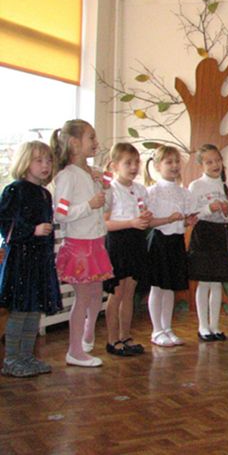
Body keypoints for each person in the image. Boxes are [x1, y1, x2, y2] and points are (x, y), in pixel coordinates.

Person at [52, 119, 113, 367]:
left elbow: (106, 206)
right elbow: (60, 213)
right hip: (79, 246)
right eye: (91, 137)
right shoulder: (68, 176)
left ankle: (88, 336)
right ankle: (75, 351)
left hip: (96, 242)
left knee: (97, 293)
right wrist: (89, 205)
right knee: (83, 297)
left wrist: (105, 187)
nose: (96, 142)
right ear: (75, 143)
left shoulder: (91, 172)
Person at [0, 141, 62, 376]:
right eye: (39, 160)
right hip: (21, 261)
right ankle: (11, 359)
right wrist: (31, 230)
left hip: (39, 261)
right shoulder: (14, 190)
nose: (45, 165)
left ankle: (27, 356)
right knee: (20, 311)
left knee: (34, 311)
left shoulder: (45, 194)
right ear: (25, 162)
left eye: (48, 160)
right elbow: (5, 224)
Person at [145, 145, 198, 347]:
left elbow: (181, 221)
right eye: (169, 162)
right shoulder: (153, 192)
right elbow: (149, 222)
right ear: (158, 166)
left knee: (170, 288)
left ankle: (167, 328)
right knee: (157, 287)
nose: (174, 166)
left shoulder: (184, 192)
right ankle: (156, 330)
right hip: (159, 242)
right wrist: (168, 219)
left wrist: (186, 222)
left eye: (177, 162)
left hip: (176, 242)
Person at [103, 143, 152, 356]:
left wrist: (146, 218)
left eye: (136, 162)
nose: (133, 167)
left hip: (136, 241)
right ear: (115, 166)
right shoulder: (110, 190)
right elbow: (105, 223)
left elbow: (144, 215)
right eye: (128, 163)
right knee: (117, 293)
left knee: (129, 292)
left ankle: (125, 336)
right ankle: (112, 340)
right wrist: (131, 222)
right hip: (118, 242)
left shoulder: (140, 189)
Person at [188, 144, 228, 342]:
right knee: (204, 281)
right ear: (201, 165)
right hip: (203, 234)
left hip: (221, 235)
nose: (215, 164)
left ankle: (215, 325)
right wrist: (209, 208)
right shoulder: (196, 186)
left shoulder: (226, 186)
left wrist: (226, 211)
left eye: (217, 160)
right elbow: (191, 214)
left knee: (217, 282)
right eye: (209, 162)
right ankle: (203, 326)